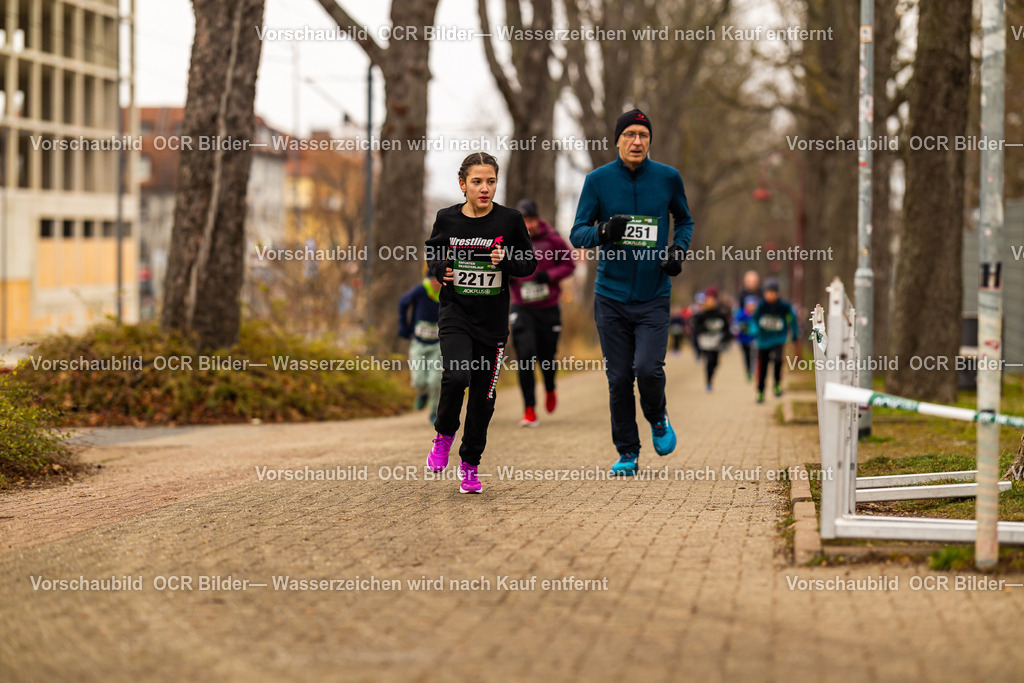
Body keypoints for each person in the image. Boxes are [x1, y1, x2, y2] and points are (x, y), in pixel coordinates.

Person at [570, 108, 694, 476]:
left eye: (643, 135)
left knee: (648, 370)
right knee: (620, 377)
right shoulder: (598, 180)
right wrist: (605, 231)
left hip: (654, 293)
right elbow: (578, 233)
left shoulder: (668, 178)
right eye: (630, 135)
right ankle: (627, 452)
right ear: (618, 140)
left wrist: (678, 251)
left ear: (649, 141)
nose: (637, 141)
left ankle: (657, 417)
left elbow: (684, 220)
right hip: (610, 295)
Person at [424, 153, 537, 493]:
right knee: (456, 376)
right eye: (477, 182)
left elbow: (528, 263)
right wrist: (440, 268)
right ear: (463, 185)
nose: (484, 188)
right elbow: (433, 252)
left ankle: (470, 465)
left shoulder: (510, 220)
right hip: (456, 313)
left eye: (490, 181)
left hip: (493, 322)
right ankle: (444, 435)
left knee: (483, 400)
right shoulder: (447, 218)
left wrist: (508, 259)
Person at [510, 199, 575, 428]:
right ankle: (529, 409)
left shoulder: (553, 239)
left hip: (548, 308)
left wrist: (550, 276)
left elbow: (569, 264)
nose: (526, 226)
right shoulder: (511, 241)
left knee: (547, 357)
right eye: (522, 221)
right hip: (522, 306)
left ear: (537, 219)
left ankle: (550, 387)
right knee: (525, 356)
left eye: (530, 220)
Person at [398, 271, 442, 423]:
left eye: (439, 280)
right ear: (428, 280)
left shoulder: (447, 293)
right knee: (418, 381)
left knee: (435, 381)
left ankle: (434, 413)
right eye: (433, 280)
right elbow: (403, 304)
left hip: (438, 345)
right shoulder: (420, 291)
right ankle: (423, 393)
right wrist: (405, 327)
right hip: (419, 343)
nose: (436, 283)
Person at [753, 278, 799, 403]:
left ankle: (777, 385)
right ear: (764, 293)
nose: (770, 295)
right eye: (768, 292)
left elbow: (792, 319)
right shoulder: (761, 306)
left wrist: (795, 333)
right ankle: (760, 391)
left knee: (778, 360)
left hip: (778, 339)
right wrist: (754, 331)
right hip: (763, 341)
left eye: (773, 292)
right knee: (763, 367)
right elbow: (754, 320)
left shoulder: (784, 306)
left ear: (777, 293)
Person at [692, 287, 733, 392]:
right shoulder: (701, 315)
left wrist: (725, 340)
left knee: (715, 362)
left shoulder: (721, 314)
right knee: (709, 360)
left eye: (712, 299)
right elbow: (696, 329)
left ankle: (711, 377)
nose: (710, 301)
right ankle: (708, 382)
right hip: (705, 342)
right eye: (708, 299)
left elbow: (726, 329)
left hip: (717, 342)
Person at [734, 295, 759, 382]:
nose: (751, 307)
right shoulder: (741, 314)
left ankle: (754, 370)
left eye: (753, 304)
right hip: (743, 339)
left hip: (754, 339)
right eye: (749, 304)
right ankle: (748, 371)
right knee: (746, 356)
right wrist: (742, 326)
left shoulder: (757, 314)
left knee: (754, 355)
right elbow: (735, 326)